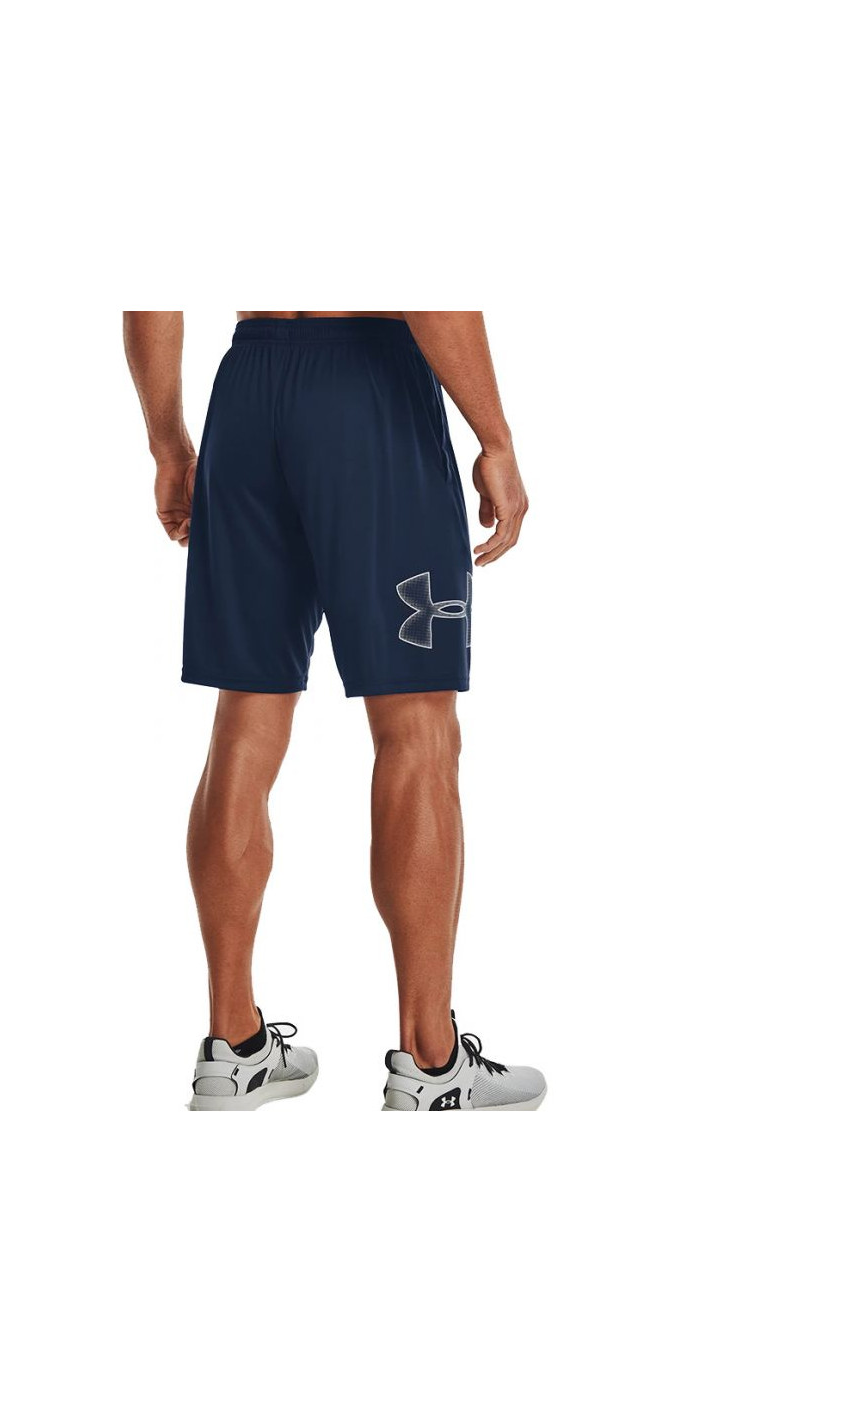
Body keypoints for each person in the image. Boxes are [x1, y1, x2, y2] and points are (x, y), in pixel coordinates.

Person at [124, 311, 546, 1112]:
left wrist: (168, 443)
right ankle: (430, 1061)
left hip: (248, 393)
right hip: (371, 389)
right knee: (417, 728)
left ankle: (233, 1049)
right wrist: (495, 438)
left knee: (245, 716)